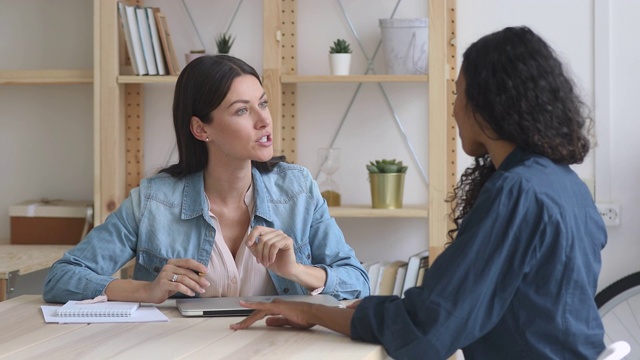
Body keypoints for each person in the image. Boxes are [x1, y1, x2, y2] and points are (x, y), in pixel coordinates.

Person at [231, 26, 607, 359]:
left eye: (458, 94)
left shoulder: (517, 191)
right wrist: (353, 312)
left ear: (489, 107)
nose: (455, 111)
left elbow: (426, 332)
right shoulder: (565, 184)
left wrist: (311, 312)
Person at [43, 55, 370, 304]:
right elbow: (61, 278)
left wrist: (295, 271)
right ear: (201, 129)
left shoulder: (298, 190)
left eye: (263, 104)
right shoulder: (154, 202)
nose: (264, 121)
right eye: (242, 110)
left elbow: (358, 281)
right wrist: (147, 289)